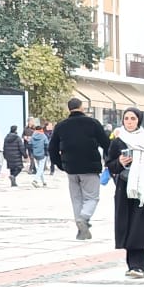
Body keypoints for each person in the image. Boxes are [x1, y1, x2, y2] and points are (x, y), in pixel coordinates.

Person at [109, 107, 144, 277]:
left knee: (140, 228)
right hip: (125, 189)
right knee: (128, 226)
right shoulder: (118, 140)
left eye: (133, 118)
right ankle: (133, 265)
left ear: (139, 120)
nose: (129, 122)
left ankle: (138, 266)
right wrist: (120, 162)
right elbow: (110, 165)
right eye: (126, 118)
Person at [48, 95, 109, 239]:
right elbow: (106, 144)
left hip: (71, 168)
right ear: (82, 107)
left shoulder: (61, 126)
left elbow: (52, 148)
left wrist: (61, 165)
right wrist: (109, 161)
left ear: (69, 109)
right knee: (92, 197)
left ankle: (81, 229)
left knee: (76, 199)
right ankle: (84, 218)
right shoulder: (93, 123)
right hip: (90, 167)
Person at [2, 123, 26, 188]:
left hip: (9, 156)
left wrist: (4, 155)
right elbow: (21, 147)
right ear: (16, 130)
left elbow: (4, 147)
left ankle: (13, 183)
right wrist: (25, 155)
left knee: (12, 168)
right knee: (19, 168)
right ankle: (13, 176)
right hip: (16, 155)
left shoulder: (6, 138)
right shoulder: (17, 138)